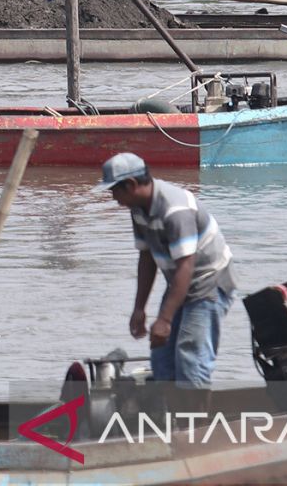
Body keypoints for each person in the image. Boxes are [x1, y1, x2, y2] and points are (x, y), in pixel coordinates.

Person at [94, 152, 236, 389]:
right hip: (181, 284)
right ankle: (173, 420)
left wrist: (165, 319)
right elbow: (146, 257)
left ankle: (195, 424)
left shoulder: (174, 209)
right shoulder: (138, 208)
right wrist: (139, 308)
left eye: (114, 191)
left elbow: (186, 266)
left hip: (209, 283)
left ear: (131, 185)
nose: (113, 198)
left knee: (191, 358)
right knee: (161, 356)